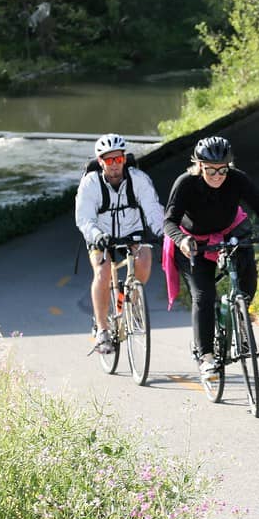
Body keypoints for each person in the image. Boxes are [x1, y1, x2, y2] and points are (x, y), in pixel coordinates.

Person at [163, 135, 259, 378]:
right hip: (193, 242)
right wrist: (182, 240)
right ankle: (205, 356)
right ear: (199, 166)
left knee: (247, 279)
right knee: (204, 296)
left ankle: (239, 317)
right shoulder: (185, 183)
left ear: (230, 166)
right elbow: (169, 221)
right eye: (210, 170)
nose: (217, 176)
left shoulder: (237, 179)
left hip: (229, 232)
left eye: (222, 170)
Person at [75, 133, 165, 354]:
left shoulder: (139, 179)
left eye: (118, 159)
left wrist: (163, 232)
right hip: (100, 235)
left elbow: (153, 210)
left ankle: (132, 302)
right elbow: (84, 218)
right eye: (108, 160)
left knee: (144, 260)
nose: (114, 165)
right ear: (100, 162)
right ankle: (103, 330)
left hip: (131, 232)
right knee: (103, 272)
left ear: (124, 159)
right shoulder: (90, 184)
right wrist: (96, 235)